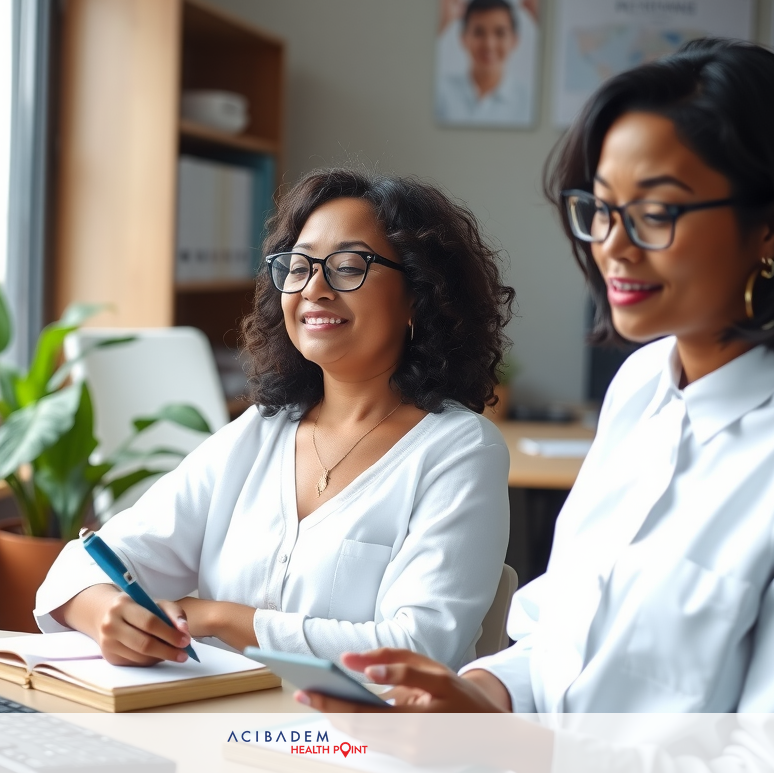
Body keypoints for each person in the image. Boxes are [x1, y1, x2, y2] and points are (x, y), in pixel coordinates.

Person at [301, 38, 774, 714]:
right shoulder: (643, 383)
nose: (611, 244)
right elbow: (562, 636)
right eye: (603, 209)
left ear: (771, 228)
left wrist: (518, 753)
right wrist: (477, 696)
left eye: (655, 212)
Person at [34, 169, 516, 671]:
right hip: (220, 732)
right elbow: (78, 568)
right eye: (299, 266)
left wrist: (222, 619)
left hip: (360, 743)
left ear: (418, 293)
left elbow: (416, 648)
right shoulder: (259, 433)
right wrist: (107, 614)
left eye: (348, 266)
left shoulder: (461, 450)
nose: (315, 288)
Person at [435, 0, 538, 126]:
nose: (489, 44)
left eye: (500, 33)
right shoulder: (439, 93)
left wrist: (545, 18)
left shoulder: (531, 102)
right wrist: (438, 23)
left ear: (514, 40)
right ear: (463, 38)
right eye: (479, 32)